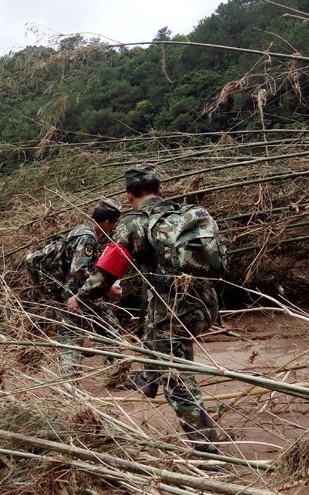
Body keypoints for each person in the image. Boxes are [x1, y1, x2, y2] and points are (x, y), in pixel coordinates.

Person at [66, 166, 222, 453]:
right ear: (160, 191)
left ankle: (208, 452)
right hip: (207, 305)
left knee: (178, 383)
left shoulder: (132, 225)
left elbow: (105, 276)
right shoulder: (186, 215)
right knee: (151, 328)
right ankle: (149, 380)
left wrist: (80, 297)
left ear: (128, 197)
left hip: (173, 313)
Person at [58, 199, 123, 379]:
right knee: (108, 330)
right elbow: (78, 269)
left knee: (73, 338)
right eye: (114, 223)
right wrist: (107, 287)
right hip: (79, 294)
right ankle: (114, 376)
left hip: (70, 292)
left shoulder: (78, 231)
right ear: (108, 222)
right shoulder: (87, 237)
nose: (113, 228)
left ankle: (70, 386)